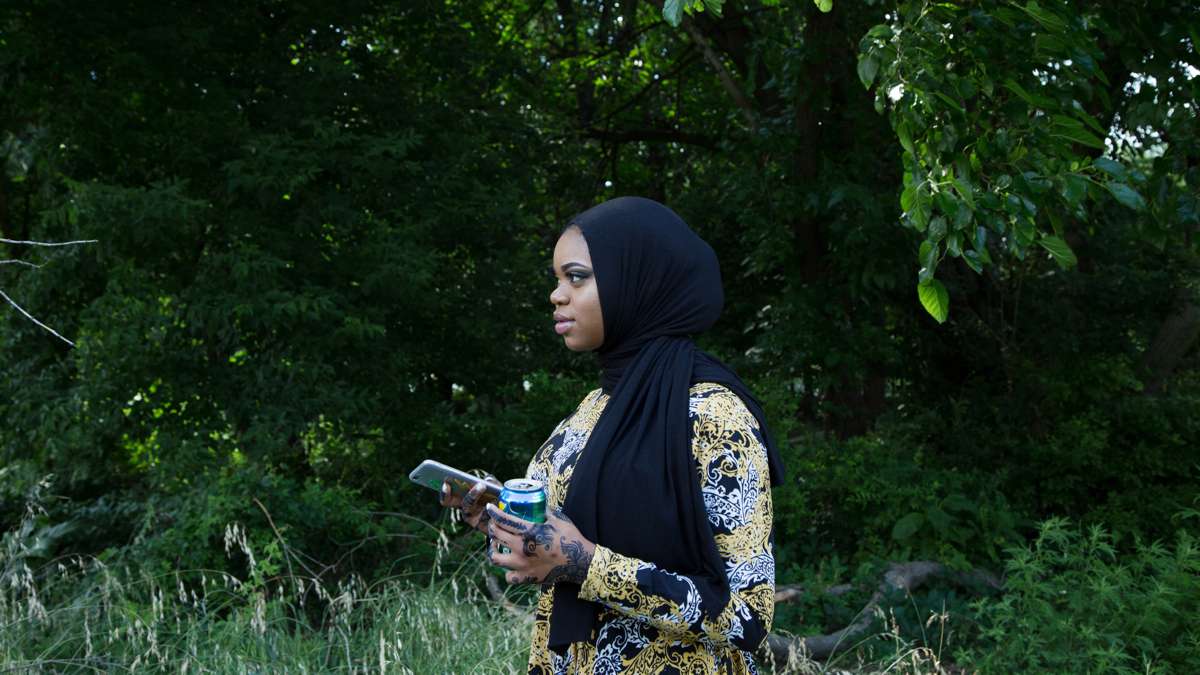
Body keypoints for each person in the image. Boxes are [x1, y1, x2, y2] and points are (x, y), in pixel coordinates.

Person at [441, 196, 784, 674]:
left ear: (636, 282)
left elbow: (746, 617)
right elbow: (557, 549)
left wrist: (585, 564)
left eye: (576, 277)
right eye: (557, 279)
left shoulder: (714, 416)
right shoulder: (589, 413)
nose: (557, 295)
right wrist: (509, 528)